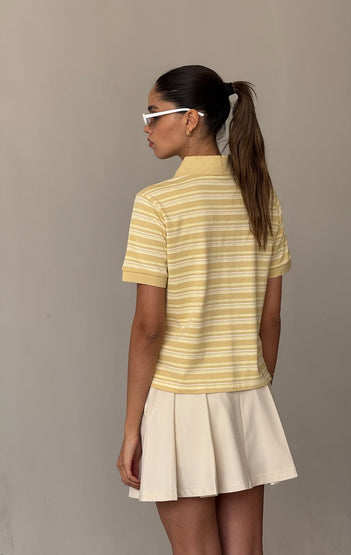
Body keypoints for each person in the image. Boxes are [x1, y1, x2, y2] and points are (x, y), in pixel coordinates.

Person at [116, 64, 298, 555]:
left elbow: (149, 327)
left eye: (154, 114)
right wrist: (254, 389)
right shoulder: (261, 199)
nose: (146, 126)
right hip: (246, 396)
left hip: (182, 400)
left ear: (191, 118)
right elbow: (271, 318)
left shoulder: (157, 204)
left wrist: (132, 427)